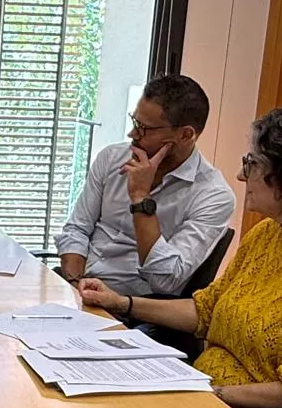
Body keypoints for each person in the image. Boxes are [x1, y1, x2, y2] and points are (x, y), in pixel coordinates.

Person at [80, 106, 282, 408]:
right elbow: (206, 310)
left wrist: (204, 392)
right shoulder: (268, 234)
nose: (242, 175)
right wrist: (121, 302)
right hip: (209, 401)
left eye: (252, 163)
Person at [56, 74, 235, 294]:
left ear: (186, 134)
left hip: (133, 309)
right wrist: (76, 287)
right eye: (134, 122)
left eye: (144, 129)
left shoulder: (213, 196)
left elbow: (165, 281)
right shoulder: (112, 158)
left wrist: (141, 198)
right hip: (78, 284)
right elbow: (77, 230)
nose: (132, 134)